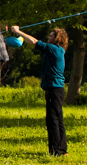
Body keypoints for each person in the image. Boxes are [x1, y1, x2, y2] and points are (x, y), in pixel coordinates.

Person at [9, 25, 68, 156]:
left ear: (57, 39)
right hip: (56, 89)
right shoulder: (56, 51)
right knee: (58, 119)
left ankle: (56, 151)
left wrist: (18, 32)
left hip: (54, 89)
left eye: (51, 35)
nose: (48, 37)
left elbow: (34, 42)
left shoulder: (54, 49)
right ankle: (62, 150)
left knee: (52, 120)